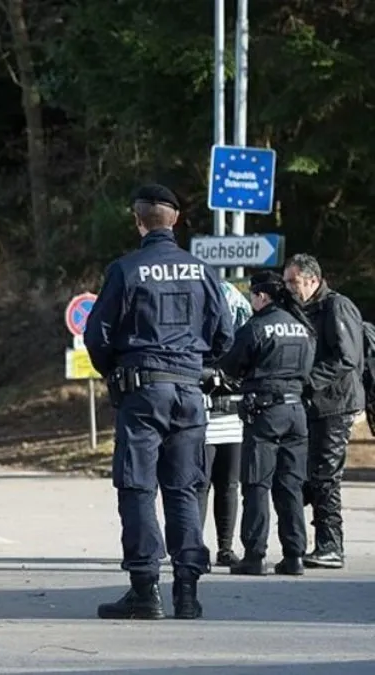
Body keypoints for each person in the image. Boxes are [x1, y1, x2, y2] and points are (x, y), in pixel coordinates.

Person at [84, 184, 233, 621]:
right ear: (177, 218)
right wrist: (194, 361)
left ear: (138, 221)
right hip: (189, 391)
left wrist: (114, 371)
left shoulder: (127, 269)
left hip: (143, 391)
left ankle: (145, 591)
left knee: (137, 487)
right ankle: (187, 592)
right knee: (185, 488)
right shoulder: (204, 271)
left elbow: (97, 335)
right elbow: (224, 335)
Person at [212, 271, 315, 576]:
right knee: (291, 486)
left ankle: (254, 556)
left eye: (253, 296)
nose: (252, 301)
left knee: (257, 485)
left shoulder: (257, 327)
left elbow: (230, 365)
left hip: (266, 414)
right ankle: (294, 555)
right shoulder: (302, 327)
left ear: (262, 296)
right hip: (297, 413)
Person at [283, 253, 363, 569]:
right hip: (316, 404)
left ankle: (331, 545)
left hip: (336, 403)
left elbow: (347, 358)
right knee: (309, 474)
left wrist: (306, 381)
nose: (288, 287)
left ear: (313, 280)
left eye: (293, 281)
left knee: (326, 476)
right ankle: (318, 540)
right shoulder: (303, 309)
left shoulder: (336, 306)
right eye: (286, 281)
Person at [198, 281, 252, 569]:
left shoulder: (244, 339)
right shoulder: (196, 337)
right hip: (203, 419)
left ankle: (226, 548)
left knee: (229, 485)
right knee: (200, 485)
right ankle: (195, 547)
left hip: (233, 419)